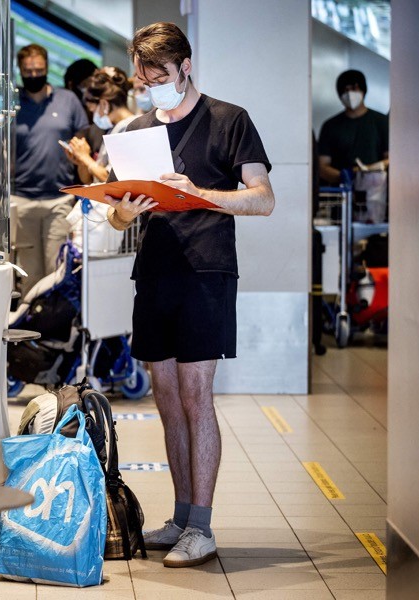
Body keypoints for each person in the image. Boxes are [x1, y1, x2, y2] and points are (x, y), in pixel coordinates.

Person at [104, 22, 274, 568]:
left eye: (159, 77)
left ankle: (201, 525)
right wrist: (123, 211)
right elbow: (114, 214)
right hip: (155, 273)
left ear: (186, 66)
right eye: (142, 78)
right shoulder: (135, 129)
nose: (150, 88)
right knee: (167, 399)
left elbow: (263, 199)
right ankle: (179, 517)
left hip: (207, 272)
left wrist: (199, 194)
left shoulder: (230, 120)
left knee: (197, 396)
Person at [12, 44, 88, 295]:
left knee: (55, 269)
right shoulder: (13, 102)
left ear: (47, 68)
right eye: (28, 71)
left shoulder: (67, 100)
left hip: (59, 198)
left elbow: (81, 142)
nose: (34, 75)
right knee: (29, 273)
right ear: (20, 70)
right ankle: (32, 325)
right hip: (22, 199)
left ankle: (52, 326)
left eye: (39, 70)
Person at [64, 66, 137, 184]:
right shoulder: (113, 128)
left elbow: (112, 181)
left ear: (104, 104)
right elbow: (89, 181)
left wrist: (85, 158)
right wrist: (81, 160)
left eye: (93, 110)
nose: (94, 116)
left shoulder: (130, 128)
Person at [318, 69, 389, 185]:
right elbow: (322, 166)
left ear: (363, 90)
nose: (350, 94)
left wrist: (368, 172)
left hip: (376, 190)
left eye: (354, 88)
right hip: (341, 191)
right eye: (346, 90)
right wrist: (344, 177)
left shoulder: (382, 121)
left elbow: (391, 159)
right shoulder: (330, 126)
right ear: (340, 95)